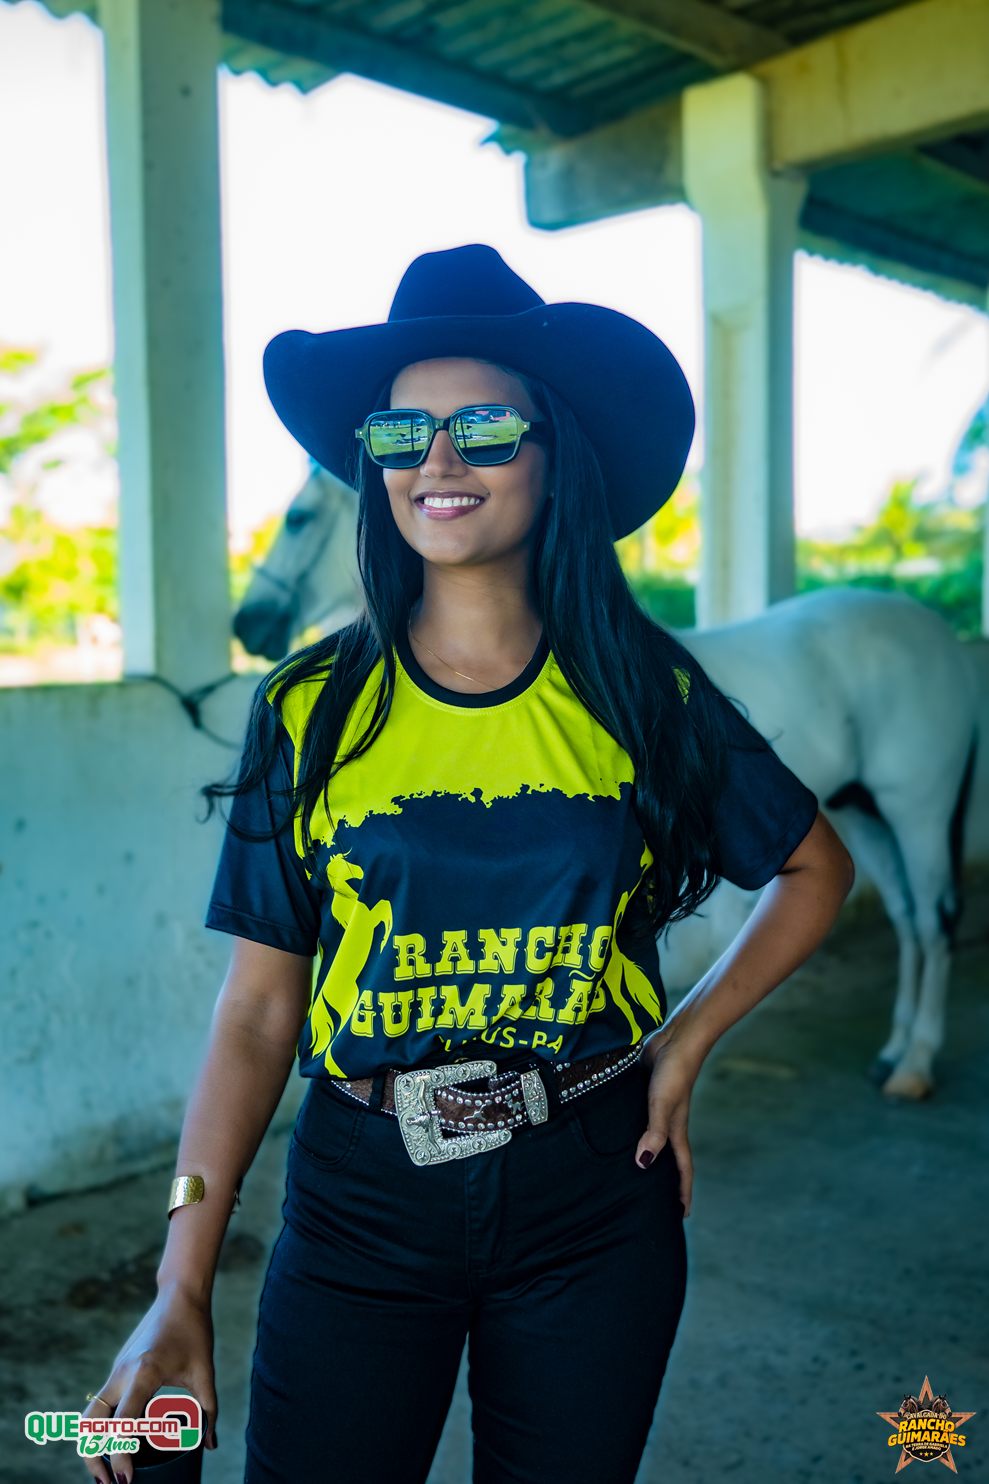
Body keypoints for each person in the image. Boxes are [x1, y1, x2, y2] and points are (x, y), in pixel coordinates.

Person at [80, 243, 854, 1484]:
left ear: (554, 455)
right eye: (402, 432)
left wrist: (684, 1043)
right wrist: (179, 1275)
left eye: (484, 427)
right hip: (360, 1201)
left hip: (593, 1195)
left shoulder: (641, 692)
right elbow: (257, 1011)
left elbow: (813, 869)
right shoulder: (311, 710)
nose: (437, 460)